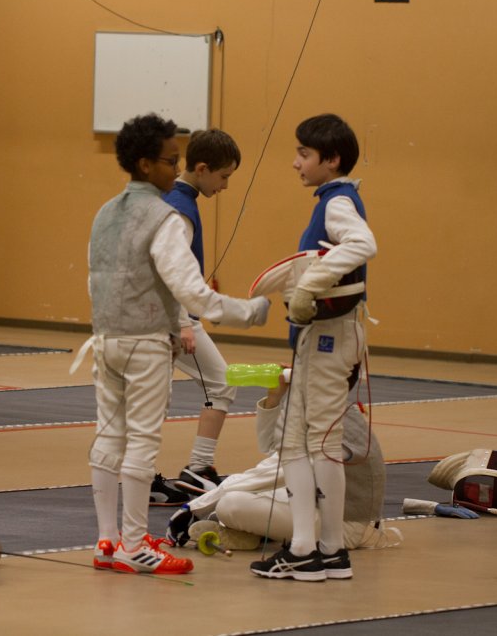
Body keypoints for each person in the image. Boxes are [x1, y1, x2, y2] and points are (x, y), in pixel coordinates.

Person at [83, 113, 270, 575]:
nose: (177, 168)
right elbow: (192, 292)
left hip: (106, 341)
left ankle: (107, 542)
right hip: (144, 345)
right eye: (171, 161)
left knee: (109, 436)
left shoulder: (105, 212)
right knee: (141, 441)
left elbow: (96, 281)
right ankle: (132, 545)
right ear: (145, 164)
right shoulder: (165, 217)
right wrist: (251, 311)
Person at [249, 113, 377, 582]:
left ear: (332, 159)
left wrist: (309, 286)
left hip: (329, 339)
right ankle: (319, 549)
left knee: (316, 443)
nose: (296, 162)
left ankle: (318, 549)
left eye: (304, 154)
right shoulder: (332, 199)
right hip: (323, 339)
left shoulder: (338, 201)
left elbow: (363, 244)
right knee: (305, 442)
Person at [167, 368, 400, 553]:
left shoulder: (335, 423)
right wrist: (274, 398)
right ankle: (254, 533)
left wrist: (195, 507)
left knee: (230, 503)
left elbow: (276, 468)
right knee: (252, 492)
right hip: (324, 511)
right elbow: (271, 447)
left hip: (344, 528)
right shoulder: (326, 409)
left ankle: (260, 531)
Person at [160, 129, 243, 496]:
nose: (225, 186)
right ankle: (189, 470)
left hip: (166, 317)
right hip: (167, 321)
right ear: (203, 168)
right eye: (223, 176)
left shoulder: (174, 198)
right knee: (214, 385)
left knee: (214, 384)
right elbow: (169, 270)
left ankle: (194, 469)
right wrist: (182, 323)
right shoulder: (180, 208)